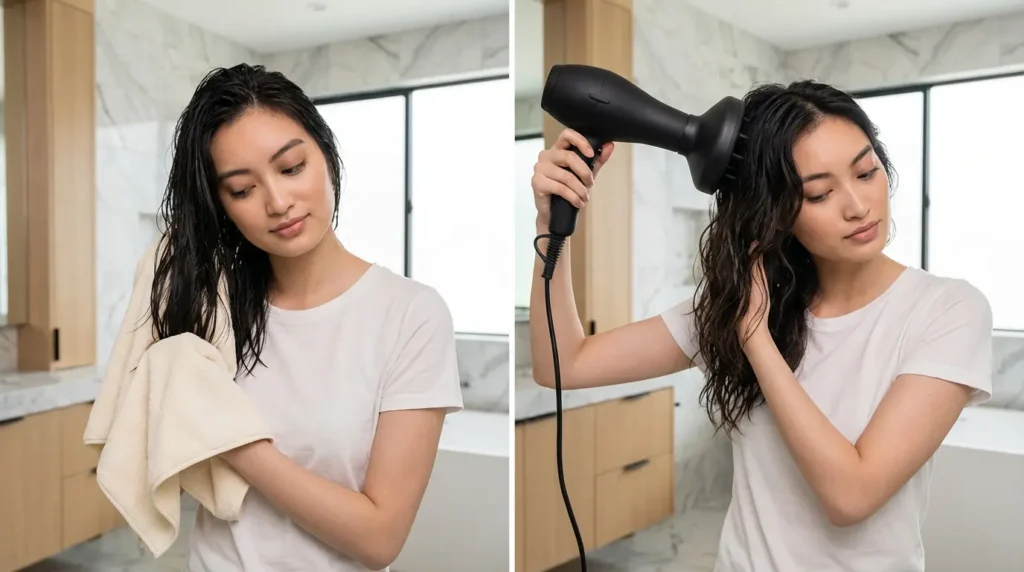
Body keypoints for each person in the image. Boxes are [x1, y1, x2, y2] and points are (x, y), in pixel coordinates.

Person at [528, 79, 992, 572]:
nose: (858, 206)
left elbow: (852, 496)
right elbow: (563, 364)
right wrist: (549, 227)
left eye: (866, 171)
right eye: (818, 194)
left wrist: (756, 339)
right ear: (775, 211)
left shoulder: (947, 310)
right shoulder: (740, 305)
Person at [148, 63, 463, 571]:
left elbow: (380, 538)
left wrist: (232, 439)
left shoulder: (411, 314)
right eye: (243, 190)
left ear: (326, 154)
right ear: (221, 206)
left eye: (292, 168)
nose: (278, 202)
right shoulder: (215, 308)